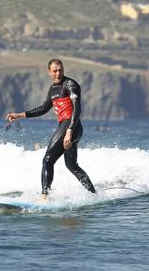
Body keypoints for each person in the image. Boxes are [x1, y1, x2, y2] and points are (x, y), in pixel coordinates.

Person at [5, 58, 96, 201]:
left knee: (47, 160)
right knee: (72, 166)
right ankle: (94, 194)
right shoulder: (53, 89)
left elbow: (77, 108)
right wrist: (19, 115)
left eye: (60, 70)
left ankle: (44, 196)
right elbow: (43, 108)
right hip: (71, 128)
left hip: (71, 126)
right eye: (55, 71)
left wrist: (69, 131)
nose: (58, 73)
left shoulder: (71, 84)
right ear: (49, 72)